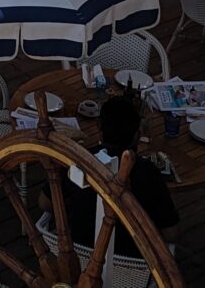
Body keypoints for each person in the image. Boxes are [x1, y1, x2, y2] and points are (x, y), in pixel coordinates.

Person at [56, 92, 179, 258]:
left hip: (78, 259)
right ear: (137, 134)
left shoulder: (79, 160)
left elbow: (45, 203)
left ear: (98, 126)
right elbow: (171, 233)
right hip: (133, 271)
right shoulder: (149, 173)